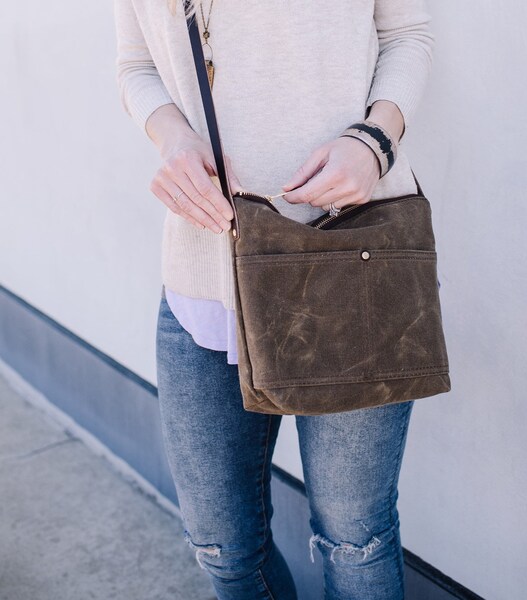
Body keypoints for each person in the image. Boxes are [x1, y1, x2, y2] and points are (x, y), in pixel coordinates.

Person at [114, 0, 435, 597]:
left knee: (355, 543)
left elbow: (407, 35)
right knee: (222, 550)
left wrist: (372, 144)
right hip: (206, 274)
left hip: (350, 263)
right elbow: (136, 64)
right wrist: (176, 140)